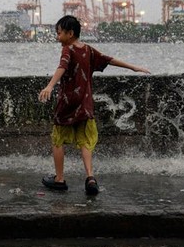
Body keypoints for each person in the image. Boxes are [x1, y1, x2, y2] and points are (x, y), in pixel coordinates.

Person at [38, 15, 150, 195]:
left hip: (67, 102)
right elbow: (109, 59)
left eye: (59, 33)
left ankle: (59, 179)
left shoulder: (68, 49)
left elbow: (62, 66)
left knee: (58, 138)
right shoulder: (88, 50)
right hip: (85, 103)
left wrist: (50, 86)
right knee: (85, 140)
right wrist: (133, 67)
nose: (57, 37)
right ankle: (90, 177)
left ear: (70, 33)